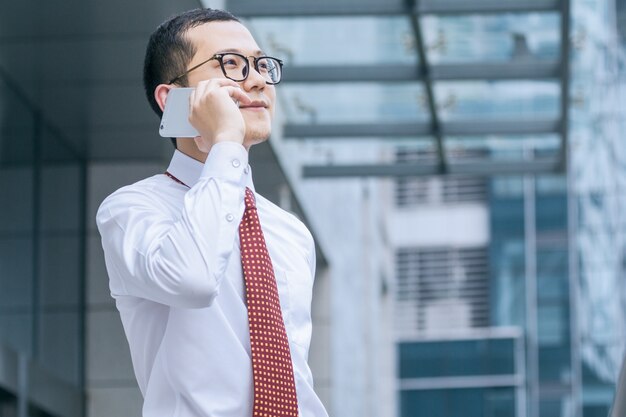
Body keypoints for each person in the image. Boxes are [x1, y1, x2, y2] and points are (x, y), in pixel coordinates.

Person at [96, 8, 329, 417]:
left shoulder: (291, 231)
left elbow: (297, 374)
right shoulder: (130, 210)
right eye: (231, 65)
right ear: (173, 98)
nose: (257, 80)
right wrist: (226, 144)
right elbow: (194, 279)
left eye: (260, 64)